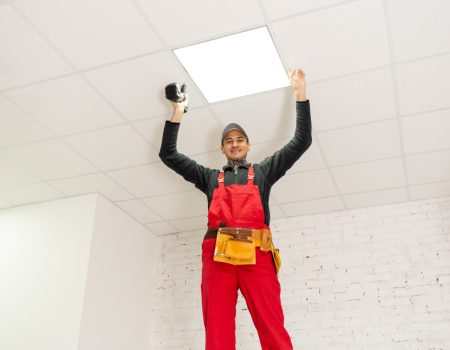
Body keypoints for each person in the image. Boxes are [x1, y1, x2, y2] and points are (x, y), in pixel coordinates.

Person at [159, 68, 312, 350]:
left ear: (248, 145)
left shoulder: (263, 172)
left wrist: (300, 94)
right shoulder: (209, 178)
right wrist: (178, 110)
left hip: (257, 255)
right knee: (217, 332)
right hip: (218, 258)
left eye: (239, 139)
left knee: (272, 326)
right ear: (223, 149)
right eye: (229, 141)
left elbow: (301, 141)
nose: (235, 143)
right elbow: (168, 155)